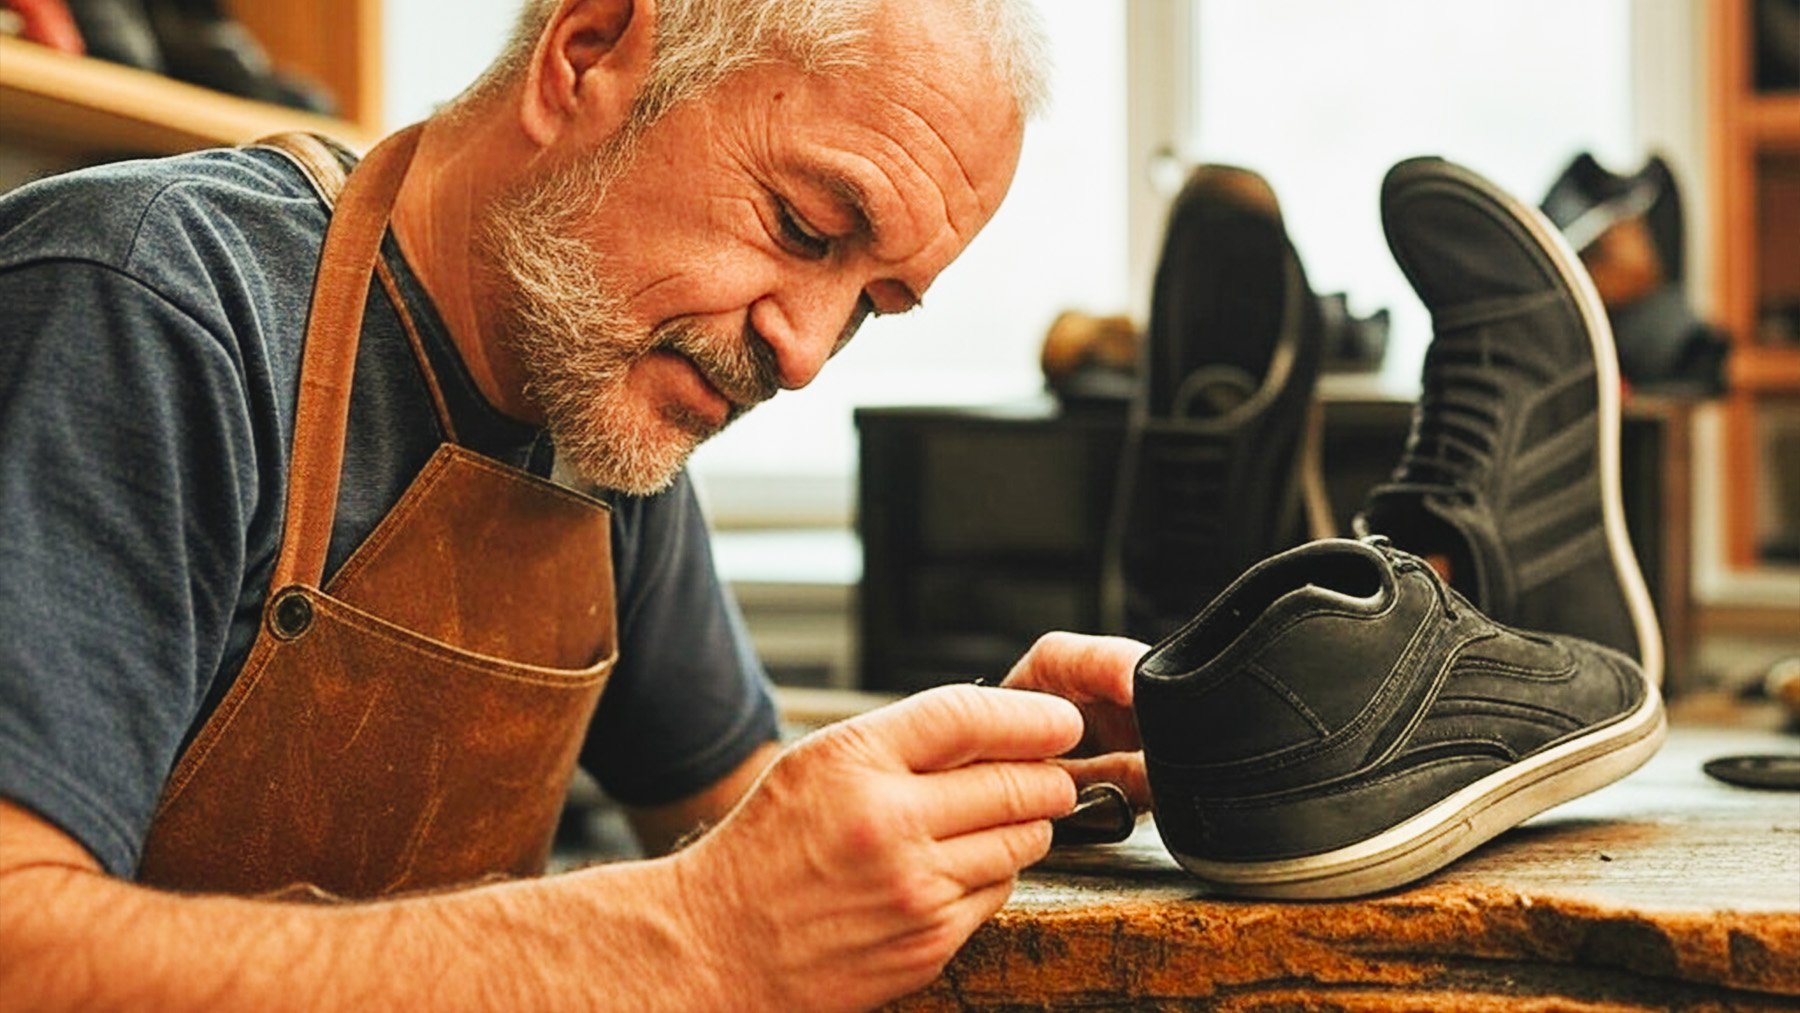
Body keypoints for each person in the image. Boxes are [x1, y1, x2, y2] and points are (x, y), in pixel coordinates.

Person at [0, 0, 1150, 1008]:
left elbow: (741, 829)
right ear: (588, 52)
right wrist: (690, 936)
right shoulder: (150, 307)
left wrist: (1003, 771)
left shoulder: (600, 400)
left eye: (869, 305)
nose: (803, 353)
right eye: (803, 227)